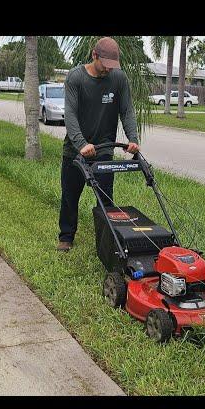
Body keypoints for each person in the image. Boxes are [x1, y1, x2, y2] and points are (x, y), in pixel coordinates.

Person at [57, 37, 140, 252]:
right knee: (69, 197)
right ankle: (66, 237)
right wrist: (81, 143)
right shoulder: (76, 78)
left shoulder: (118, 78)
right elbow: (71, 115)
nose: (108, 70)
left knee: (105, 200)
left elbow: (127, 111)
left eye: (112, 66)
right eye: (105, 65)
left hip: (103, 152)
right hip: (75, 152)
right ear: (94, 55)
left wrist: (133, 139)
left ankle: (106, 243)